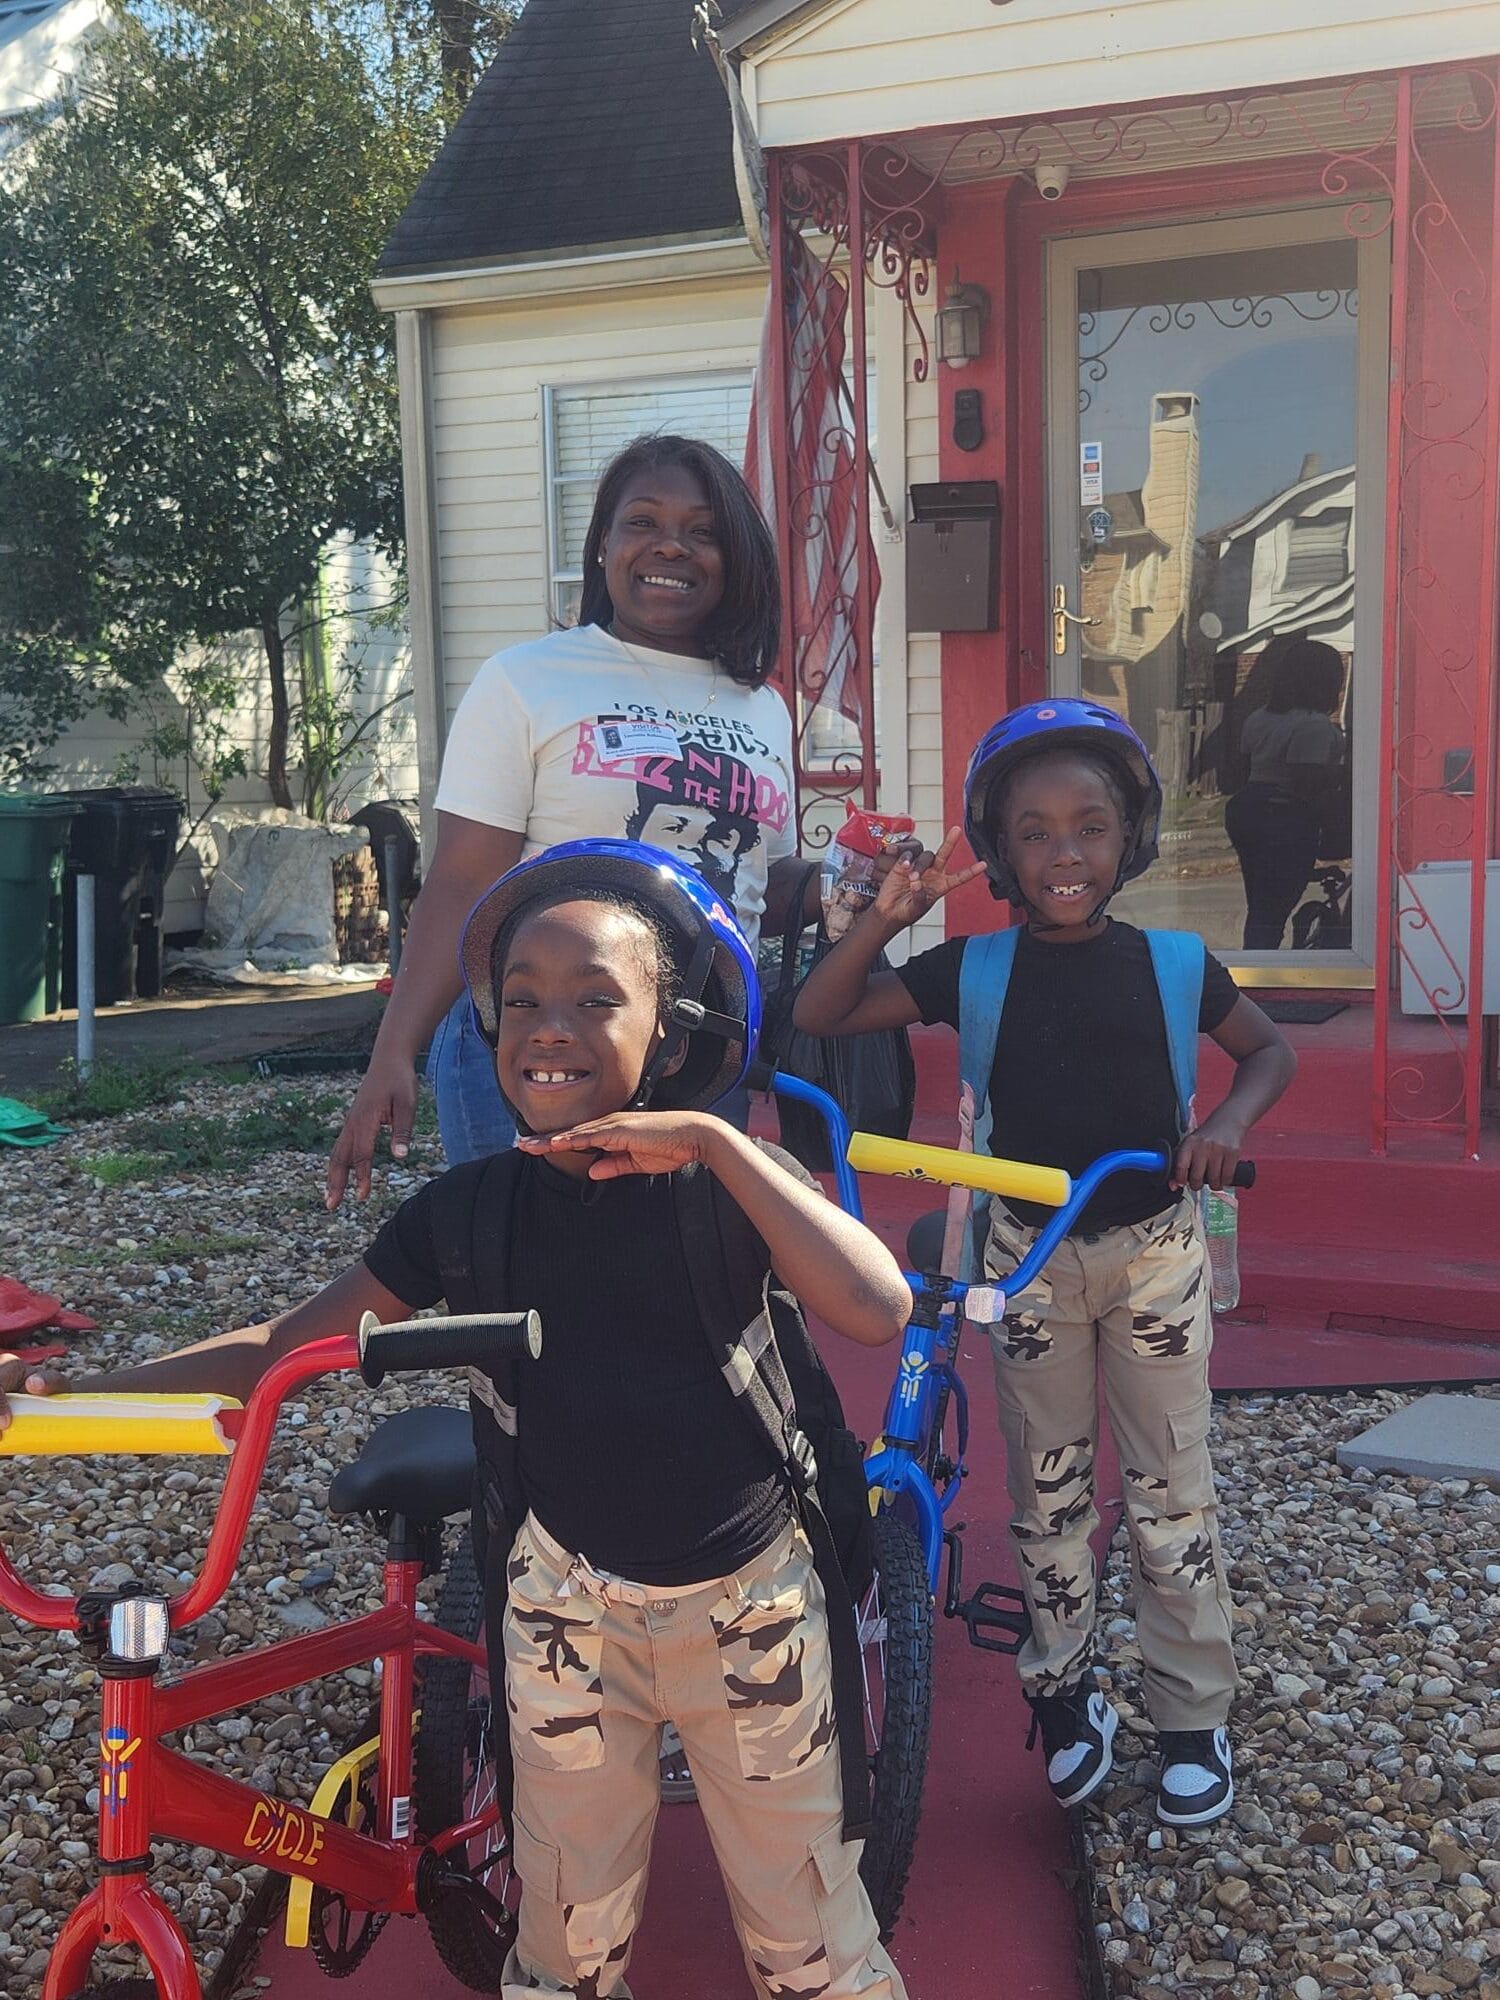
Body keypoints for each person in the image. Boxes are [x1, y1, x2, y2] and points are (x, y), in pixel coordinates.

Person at [3, 839, 912, 2000]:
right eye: (521, 999)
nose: (549, 1025)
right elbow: (283, 1347)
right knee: (563, 1949)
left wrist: (720, 1142)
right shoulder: (469, 1209)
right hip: (564, 1607)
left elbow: (875, 1306)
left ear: (671, 1038)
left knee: (810, 1950)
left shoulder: (720, 1187)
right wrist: (78, 1388)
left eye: (597, 999)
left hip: (748, 1611)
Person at [792, 700, 1296, 1829]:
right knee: (1049, 1490)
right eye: (1034, 832)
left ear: (1131, 840)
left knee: (1173, 1492)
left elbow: (1270, 1050)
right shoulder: (974, 966)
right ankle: (1066, 1696)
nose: (1065, 854)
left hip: (1157, 1253)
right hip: (1028, 1262)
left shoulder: (1174, 963)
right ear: (998, 848)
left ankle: (1190, 1713)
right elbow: (823, 1011)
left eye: (1091, 828)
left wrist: (1230, 1126)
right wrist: (886, 917)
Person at [326, 433, 809, 1203]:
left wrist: (867, 889)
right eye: (643, 523)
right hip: (535, 1041)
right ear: (604, 547)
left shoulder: (764, 706)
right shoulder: (527, 681)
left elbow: (756, 886)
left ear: (736, 557)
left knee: (679, 1281)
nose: (672, 547)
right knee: (531, 1285)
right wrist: (393, 1052)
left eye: (703, 531)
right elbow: (459, 882)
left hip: (698, 1044)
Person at [1224, 637, 1347, 950]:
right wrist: (1346, 773)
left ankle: (1257, 957)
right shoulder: (1314, 726)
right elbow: (1305, 779)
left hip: (1248, 809)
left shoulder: (1260, 717)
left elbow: (1242, 765)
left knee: (1262, 900)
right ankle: (1265, 962)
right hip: (1284, 815)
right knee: (1276, 903)